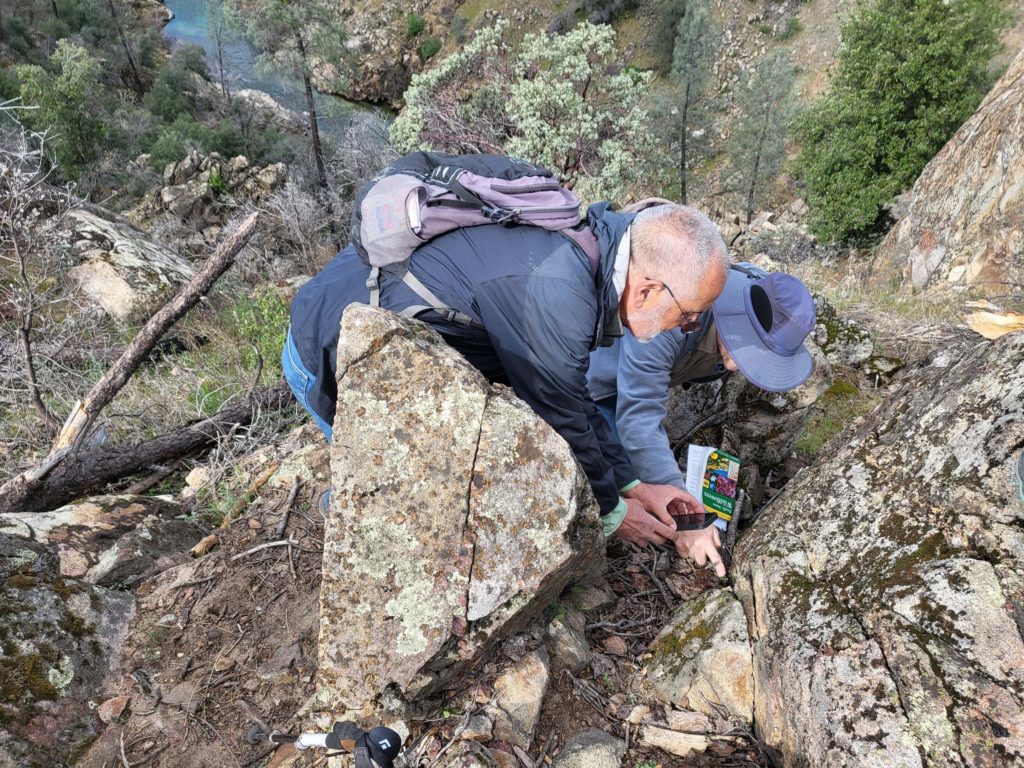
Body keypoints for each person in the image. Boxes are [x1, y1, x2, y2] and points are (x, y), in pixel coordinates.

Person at [282, 203, 732, 575]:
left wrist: (636, 486)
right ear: (649, 291)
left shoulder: (594, 249)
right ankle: (342, 515)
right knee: (401, 512)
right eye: (690, 315)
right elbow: (563, 416)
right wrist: (614, 515)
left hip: (348, 306)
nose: (690, 327)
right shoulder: (560, 293)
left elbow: (571, 394)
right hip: (326, 353)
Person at [586, 264, 817, 517]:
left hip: (637, 381)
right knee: (620, 478)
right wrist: (682, 506)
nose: (740, 366)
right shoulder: (671, 319)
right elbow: (639, 421)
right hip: (591, 384)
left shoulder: (764, 295)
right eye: (748, 347)